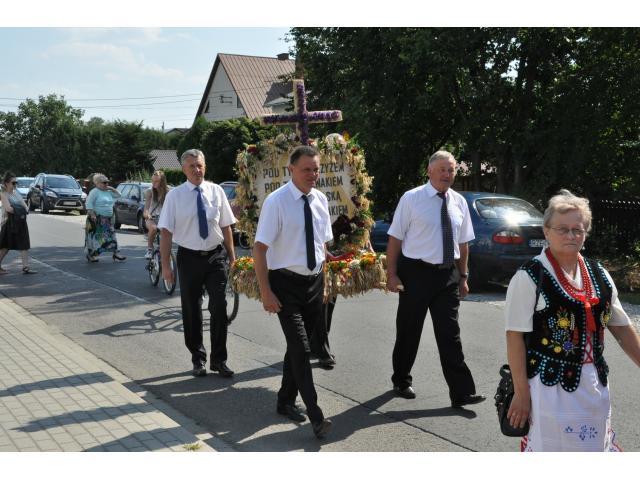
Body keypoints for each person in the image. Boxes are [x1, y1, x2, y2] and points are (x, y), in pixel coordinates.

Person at [505, 189, 640, 452]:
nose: (571, 235)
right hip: (548, 389)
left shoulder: (599, 273)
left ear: (585, 234)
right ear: (546, 231)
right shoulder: (529, 276)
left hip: (594, 386)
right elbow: (514, 337)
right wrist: (521, 394)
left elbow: (622, 329)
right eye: (562, 229)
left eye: (578, 230)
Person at [386, 150, 485, 407]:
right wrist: (391, 274)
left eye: (451, 170)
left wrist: (463, 276)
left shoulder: (459, 202)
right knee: (409, 330)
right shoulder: (412, 198)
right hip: (415, 273)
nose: (447, 174)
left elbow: (463, 243)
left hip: (447, 275)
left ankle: (462, 392)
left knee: (450, 334)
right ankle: (401, 380)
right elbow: (395, 238)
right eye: (442, 169)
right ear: (429, 171)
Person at [253, 145, 333, 439]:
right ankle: (316, 415)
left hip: (314, 283)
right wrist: (266, 292)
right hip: (285, 284)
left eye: (316, 169)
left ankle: (285, 400)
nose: (312, 175)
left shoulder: (320, 199)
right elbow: (259, 249)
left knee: (299, 347)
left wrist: (326, 279)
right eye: (306, 169)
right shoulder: (276, 202)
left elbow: (321, 243)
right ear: (291, 170)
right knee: (301, 349)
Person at [158, 149, 236, 378]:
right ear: (184, 169)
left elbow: (226, 226)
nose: (197, 170)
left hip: (215, 257)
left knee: (219, 306)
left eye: (200, 165)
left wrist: (233, 258)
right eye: (192, 166)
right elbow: (166, 232)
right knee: (192, 309)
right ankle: (198, 358)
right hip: (189, 258)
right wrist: (166, 266)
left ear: (205, 166)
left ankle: (219, 360)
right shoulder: (175, 196)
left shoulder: (216, 191)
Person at [310, 239, 375, 369]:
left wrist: (367, 248)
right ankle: (323, 352)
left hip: (336, 261)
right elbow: (317, 240)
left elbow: (361, 234)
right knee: (322, 307)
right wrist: (331, 256)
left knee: (329, 306)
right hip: (320, 263)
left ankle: (315, 345)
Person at [0, 171, 37, 274]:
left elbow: (25, 206)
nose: (15, 185)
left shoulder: (16, 193)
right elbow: (8, 209)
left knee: (24, 244)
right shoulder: (3, 194)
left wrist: (22, 209)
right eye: (13, 183)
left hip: (20, 222)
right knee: (5, 247)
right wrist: (21, 209)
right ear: (6, 183)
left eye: (16, 182)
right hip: (8, 223)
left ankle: (25, 267)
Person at [84, 173, 126, 263]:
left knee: (112, 236)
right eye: (104, 182)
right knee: (97, 239)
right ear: (97, 183)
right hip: (97, 219)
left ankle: (116, 253)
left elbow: (119, 195)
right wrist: (92, 214)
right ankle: (92, 255)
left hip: (108, 219)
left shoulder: (108, 192)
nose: (106, 184)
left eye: (107, 182)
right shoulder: (94, 192)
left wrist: (112, 188)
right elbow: (88, 203)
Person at [143, 170, 169, 259]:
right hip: (152, 218)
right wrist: (147, 214)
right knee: (153, 228)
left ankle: (165, 251)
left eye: (156, 181)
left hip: (164, 218)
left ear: (162, 182)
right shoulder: (149, 191)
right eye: (152, 181)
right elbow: (146, 208)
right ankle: (149, 250)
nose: (153, 183)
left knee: (166, 232)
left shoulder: (168, 192)